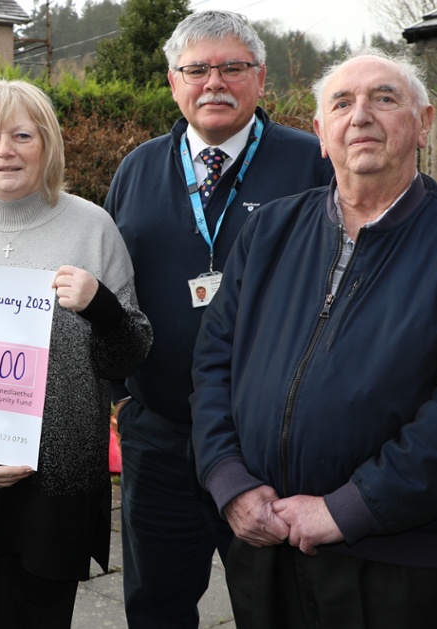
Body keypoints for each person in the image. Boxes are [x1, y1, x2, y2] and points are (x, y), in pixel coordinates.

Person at [190, 49, 437, 628]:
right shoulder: (268, 229)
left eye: (384, 98)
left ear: (424, 124)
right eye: (342, 103)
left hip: (396, 560)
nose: (360, 115)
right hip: (264, 544)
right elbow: (214, 362)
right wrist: (230, 481)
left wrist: (348, 508)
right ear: (321, 134)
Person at [101, 12, 333, 627]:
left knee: (273, 606)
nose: (215, 83)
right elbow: (112, 294)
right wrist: (121, 396)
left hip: (263, 445)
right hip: (160, 436)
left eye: (233, 68)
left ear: (260, 79)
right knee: (155, 605)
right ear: (173, 81)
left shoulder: (311, 163)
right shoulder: (139, 168)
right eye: (197, 69)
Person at [0, 79, 151, 628]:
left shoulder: (93, 227)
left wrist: (102, 307)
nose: (6, 150)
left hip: (58, 483)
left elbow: (130, 355)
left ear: (48, 145)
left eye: (23, 135)